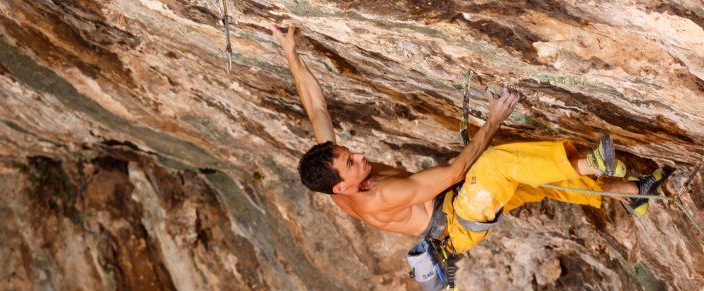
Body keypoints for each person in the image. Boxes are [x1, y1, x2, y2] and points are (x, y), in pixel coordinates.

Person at [272, 26, 671, 255]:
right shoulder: (379, 197)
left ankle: (633, 193)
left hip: (452, 202)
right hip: (456, 222)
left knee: (534, 181)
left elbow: (317, 109)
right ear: (342, 188)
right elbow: (457, 171)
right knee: (496, 164)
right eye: (351, 162)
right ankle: (590, 163)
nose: (359, 155)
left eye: (349, 152)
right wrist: (494, 119)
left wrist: (290, 53)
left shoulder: (332, 174)